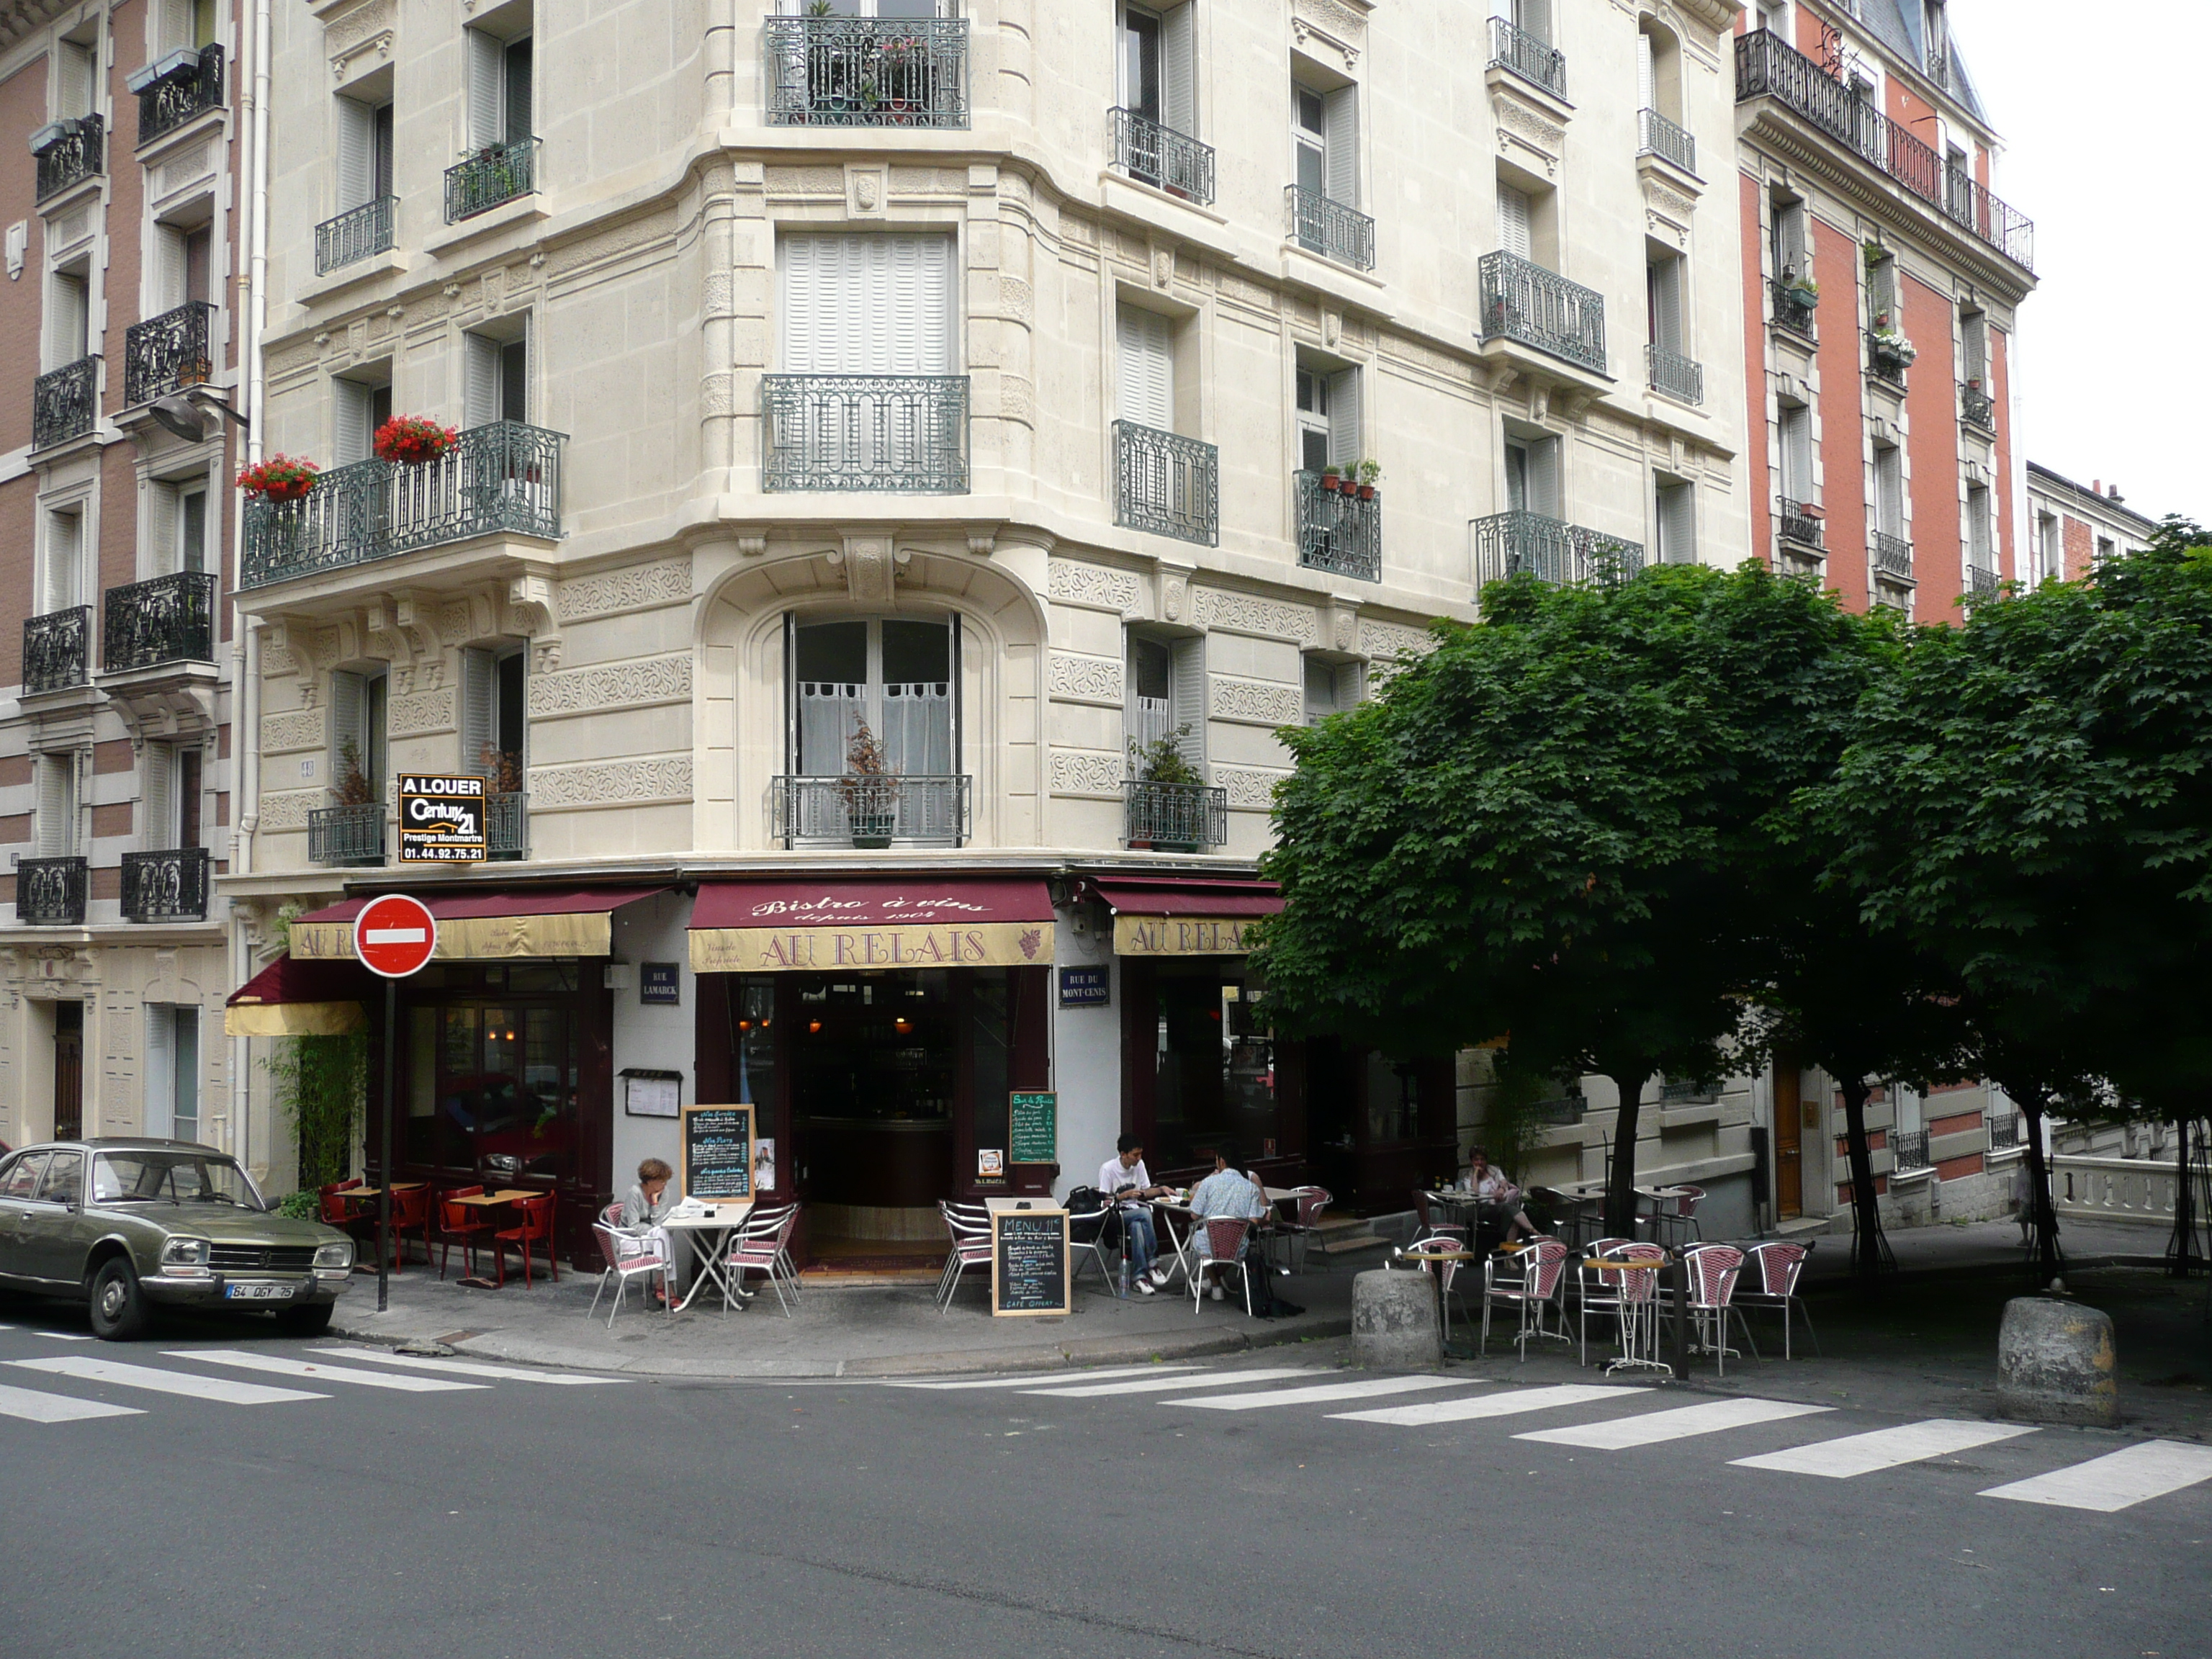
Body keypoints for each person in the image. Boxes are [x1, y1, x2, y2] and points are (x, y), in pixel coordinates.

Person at [1187, 1143, 1304, 1319]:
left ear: (1222, 1162)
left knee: (1202, 1242)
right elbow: (1255, 1220)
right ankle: (1217, 1283)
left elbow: (1195, 1215)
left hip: (1209, 1243)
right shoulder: (1250, 1187)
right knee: (1233, 1246)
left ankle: (1216, 1284)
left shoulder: (1208, 1183)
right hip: (1237, 1245)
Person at [1098, 1134, 1172, 1295]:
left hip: (1134, 1214)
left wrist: (1160, 1189)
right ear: (1123, 1154)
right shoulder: (1108, 1169)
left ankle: (1139, 1277)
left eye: (1140, 1154)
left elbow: (1146, 1191)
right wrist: (1123, 1196)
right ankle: (1152, 1263)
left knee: (1137, 1226)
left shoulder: (1140, 1165)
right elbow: (1104, 1200)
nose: (1139, 1158)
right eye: (1135, 1155)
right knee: (1145, 1213)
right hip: (1115, 1216)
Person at [619, 1158, 678, 1306]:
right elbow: (633, 1227)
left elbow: (659, 1223)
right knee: (664, 1237)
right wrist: (654, 1231)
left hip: (652, 1238)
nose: (665, 1184)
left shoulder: (663, 1193)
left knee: (663, 1237)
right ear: (650, 1181)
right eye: (662, 1181)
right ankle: (666, 1287)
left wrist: (655, 1202)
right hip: (630, 1239)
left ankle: (661, 1285)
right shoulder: (635, 1193)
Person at [1460, 1146, 1537, 1241]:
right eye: (1477, 1160)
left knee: (1512, 1219)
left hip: (1498, 1206)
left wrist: (1501, 1189)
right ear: (1472, 1161)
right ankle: (1533, 1231)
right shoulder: (1468, 1176)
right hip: (1481, 1208)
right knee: (1506, 1208)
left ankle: (1510, 1254)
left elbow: (1504, 1183)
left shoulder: (1494, 1170)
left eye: (1482, 1159)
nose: (1480, 1163)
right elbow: (1474, 1193)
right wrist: (1476, 1174)